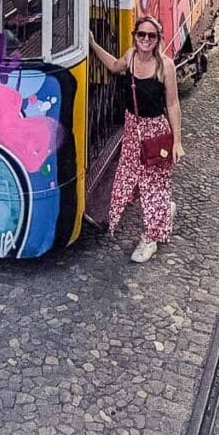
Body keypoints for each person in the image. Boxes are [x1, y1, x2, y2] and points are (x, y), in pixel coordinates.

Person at [89, 15, 184, 263]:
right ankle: (164, 209)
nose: (145, 40)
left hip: (155, 133)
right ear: (135, 36)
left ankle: (150, 238)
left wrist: (177, 141)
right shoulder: (130, 57)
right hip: (133, 131)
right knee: (130, 181)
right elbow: (113, 66)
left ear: (157, 39)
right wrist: (92, 44)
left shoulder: (166, 66)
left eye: (151, 36)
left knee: (153, 185)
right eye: (141, 34)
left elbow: (173, 105)